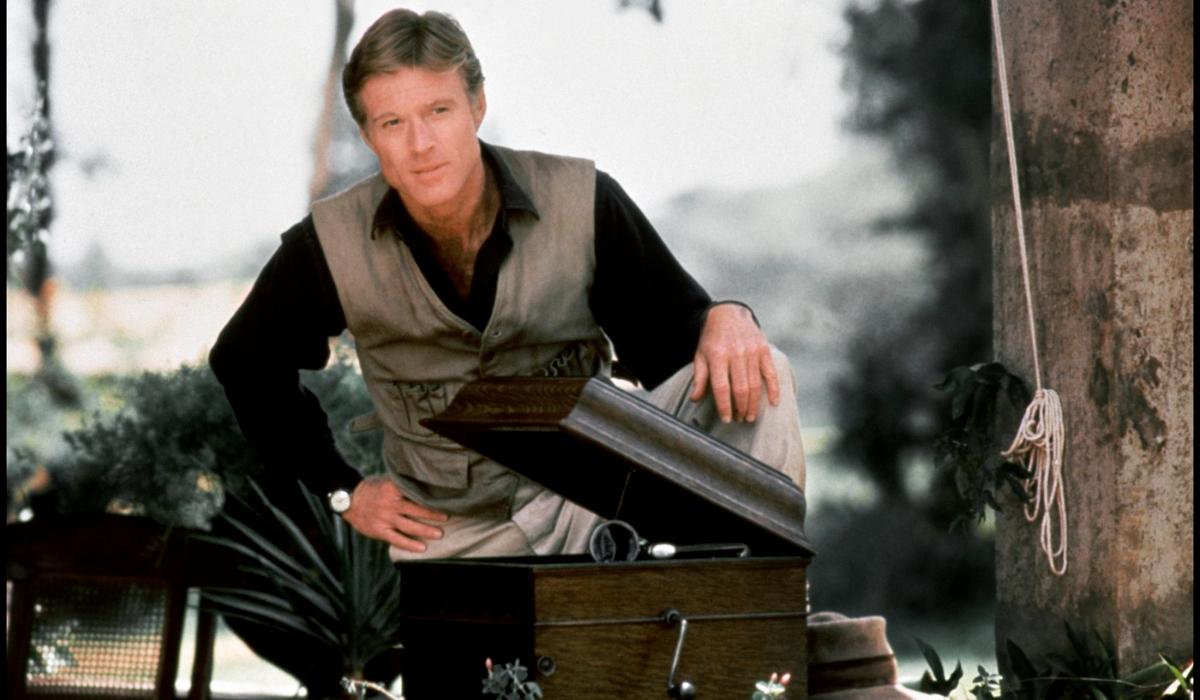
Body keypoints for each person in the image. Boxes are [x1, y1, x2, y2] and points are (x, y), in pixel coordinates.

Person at [210, 8, 805, 563]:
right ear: (369, 136)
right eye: (393, 122)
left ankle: (763, 614)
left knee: (760, 372)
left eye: (438, 111)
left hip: (596, 495)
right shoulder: (331, 243)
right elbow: (243, 360)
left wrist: (728, 315)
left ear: (477, 106)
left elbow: (674, 345)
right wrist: (344, 490)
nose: (421, 145)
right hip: (452, 529)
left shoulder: (581, 202)